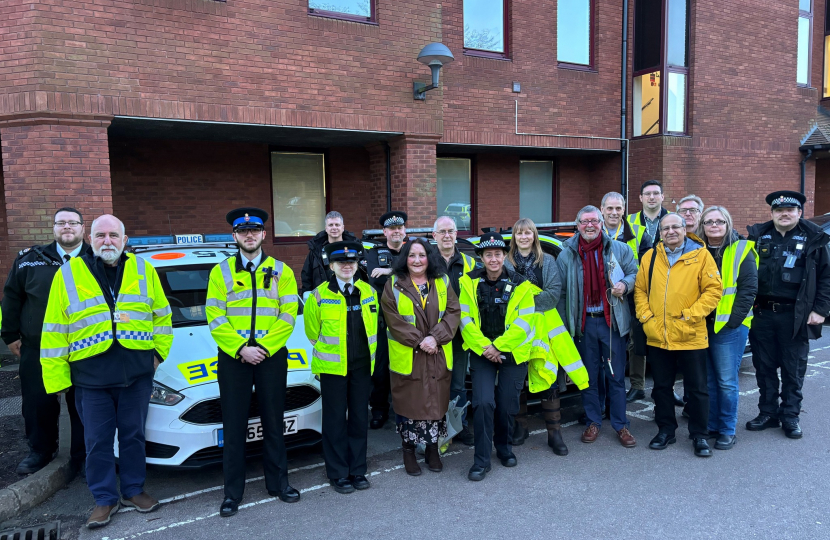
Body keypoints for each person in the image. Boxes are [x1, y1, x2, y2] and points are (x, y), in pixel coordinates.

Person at [40, 214, 172, 529]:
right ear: (91, 239)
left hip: (136, 377)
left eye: (114, 235)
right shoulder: (69, 274)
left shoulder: (144, 269)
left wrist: (156, 356)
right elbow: (54, 330)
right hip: (91, 380)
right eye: (100, 235)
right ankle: (104, 499)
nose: (107, 241)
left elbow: (162, 317)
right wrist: (58, 378)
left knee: (133, 437)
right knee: (97, 442)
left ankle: (133, 490)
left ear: (124, 240)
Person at [205, 207, 300, 517]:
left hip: (271, 357)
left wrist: (264, 347)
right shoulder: (220, 272)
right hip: (234, 358)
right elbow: (215, 317)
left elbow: (288, 316)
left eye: (255, 230)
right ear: (235, 236)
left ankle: (279, 484)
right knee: (234, 425)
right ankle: (232, 493)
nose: (249, 235)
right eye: (243, 231)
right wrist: (241, 348)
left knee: (274, 421)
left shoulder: (282, 271)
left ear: (263, 234)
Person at [2, 208, 90, 476]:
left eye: (72, 223)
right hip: (38, 348)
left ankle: (83, 456)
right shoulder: (29, 260)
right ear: (53, 228)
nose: (67, 227)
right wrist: (10, 335)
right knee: (38, 403)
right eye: (61, 223)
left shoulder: (96, 258)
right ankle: (41, 450)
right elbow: (11, 298)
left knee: (84, 404)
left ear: (82, 229)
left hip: (86, 347)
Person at [635, 213, 722, 457]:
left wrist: (692, 314)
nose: (670, 231)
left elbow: (714, 290)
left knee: (697, 389)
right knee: (661, 387)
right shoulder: (651, 257)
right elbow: (640, 289)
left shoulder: (701, 255)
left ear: (685, 229)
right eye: (665, 228)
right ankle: (666, 431)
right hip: (657, 334)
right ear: (659, 233)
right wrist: (646, 317)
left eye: (675, 227)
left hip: (690, 333)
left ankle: (700, 435)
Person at [745, 191, 830, 439]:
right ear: (771, 213)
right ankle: (768, 412)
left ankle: (790, 415)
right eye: (779, 210)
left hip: (795, 315)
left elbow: (826, 278)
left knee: (793, 369)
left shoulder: (814, 239)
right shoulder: (758, 236)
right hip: (762, 314)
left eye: (790, 210)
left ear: (799, 213)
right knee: (764, 366)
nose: (784, 214)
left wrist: (820, 310)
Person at [459, 233, 539, 481]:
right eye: (488, 255)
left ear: (504, 256)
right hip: (482, 351)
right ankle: (481, 460)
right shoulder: (467, 283)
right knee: (483, 403)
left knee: (506, 404)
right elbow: (465, 321)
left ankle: (504, 448)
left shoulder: (522, 284)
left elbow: (524, 324)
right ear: (481, 258)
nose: (493, 259)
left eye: (497, 254)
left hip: (512, 352)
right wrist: (486, 348)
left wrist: (499, 347)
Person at [557, 206, 639, 448]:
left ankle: (621, 424)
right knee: (589, 378)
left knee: (615, 376)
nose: (589, 225)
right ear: (577, 225)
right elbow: (561, 293)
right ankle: (593, 421)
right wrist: (565, 327)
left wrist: (625, 284)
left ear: (602, 223)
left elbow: (635, 273)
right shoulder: (566, 254)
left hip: (610, 323)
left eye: (594, 221)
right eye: (584, 222)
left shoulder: (620, 249)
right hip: (583, 325)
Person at [304, 241, 378, 494]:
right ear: (332, 266)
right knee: (334, 421)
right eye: (341, 263)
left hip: (361, 367)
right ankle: (337, 473)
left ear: (357, 265)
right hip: (333, 369)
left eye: (352, 262)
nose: (347, 266)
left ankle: (357, 470)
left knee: (359, 419)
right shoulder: (318, 295)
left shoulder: (368, 292)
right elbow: (312, 333)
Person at [381, 238, 460, 476]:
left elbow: (453, 312)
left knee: (435, 404)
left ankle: (432, 449)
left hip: (436, 353)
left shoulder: (442, 281)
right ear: (405, 258)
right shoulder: (393, 284)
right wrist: (420, 341)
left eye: (422, 255)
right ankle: (408, 450)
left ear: (430, 258)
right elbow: (393, 320)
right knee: (410, 405)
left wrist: (435, 338)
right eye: (412, 255)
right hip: (409, 357)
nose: (417, 260)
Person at [503, 218, 567, 453]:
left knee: (548, 376)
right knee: (518, 379)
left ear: (534, 236)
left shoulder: (548, 262)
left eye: (528, 232)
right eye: (519, 233)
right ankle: (521, 427)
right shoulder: (505, 264)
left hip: (544, 330)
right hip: (516, 331)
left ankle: (554, 433)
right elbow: (503, 297)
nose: (523, 237)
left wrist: (522, 302)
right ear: (514, 237)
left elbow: (552, 295)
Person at [698, 206, 758, 450]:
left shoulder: (742, 249)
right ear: (702, 226)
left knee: (726, 381)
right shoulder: (697, 249)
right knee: (710, 380)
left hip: (729, 328)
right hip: (703, 325)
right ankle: (712, 425)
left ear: (728, 224)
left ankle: (727, 429)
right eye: (709, 222)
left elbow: (748, 290)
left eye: (719, 221)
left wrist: (732, 322)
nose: (714, 226)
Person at [600, 192, 653, 403]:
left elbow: (649, 266)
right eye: (610, 208)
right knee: (611, 345)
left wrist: (628, 283)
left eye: (618, 208)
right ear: (602, 209)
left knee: (635, 343)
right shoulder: (594, 229)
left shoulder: (640, 233)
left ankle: (637, 385)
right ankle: (611, 388)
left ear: (624, 210)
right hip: (604, 299)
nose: (614, 212)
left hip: (633, 295)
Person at [431, 216, 476, 446]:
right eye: (442, 232)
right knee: (435, 382)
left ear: (457, 234)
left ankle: (459, 427)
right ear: (434, 236)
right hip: (434, 335)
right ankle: (437, 428)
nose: (447, 235)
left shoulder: (470, 263)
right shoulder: (426, 262)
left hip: (460, 335)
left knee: (458, 383)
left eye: (451, 231)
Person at [364, 211, 408, 429]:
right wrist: (402, 272)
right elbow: (373, 275)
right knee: (380, 368)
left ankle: (405, 409)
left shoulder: (413, 251)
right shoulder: (374, 252)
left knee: (406, 366)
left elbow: (417, 273)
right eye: (392, 229)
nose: (396, 231)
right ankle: (379, 410)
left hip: (409, 320)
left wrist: (390, 270)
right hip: (382, 321)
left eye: (399, 228)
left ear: (404, 231)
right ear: (385, 232)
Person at [300, 211, 359, 294]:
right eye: (330, 225)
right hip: (321, 300)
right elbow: (306, 277)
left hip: (350, 298)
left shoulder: (354, 248)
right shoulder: (316, 250)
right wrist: (307, 297)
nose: (334, 228)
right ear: (326, 228)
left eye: (337, 225)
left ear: (343, 227)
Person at [627, 179, 670, 245]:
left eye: (656, 193)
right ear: (641, 198)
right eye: (647, 194)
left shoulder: (674, 218)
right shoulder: (628, 220)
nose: (652, 197)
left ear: (662, 197)